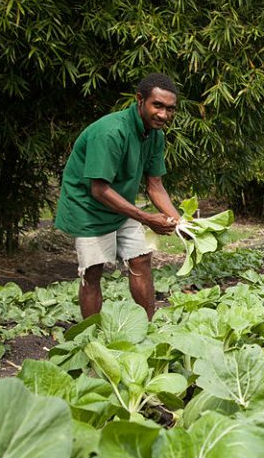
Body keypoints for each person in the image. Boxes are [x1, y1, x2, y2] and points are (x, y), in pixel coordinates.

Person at [55, 73, 182, 321]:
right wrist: (146, 218)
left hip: (120, 203)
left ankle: (146, 327)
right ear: (140, 100)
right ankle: (93, 336)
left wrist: (180, 222)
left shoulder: (155, 134)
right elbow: (98, 189)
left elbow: (155, 185)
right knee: (92, 272)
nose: (164, 115)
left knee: (141, 259)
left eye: (170, 109)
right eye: (158, 105)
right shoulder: (111, 132)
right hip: (88, 205)